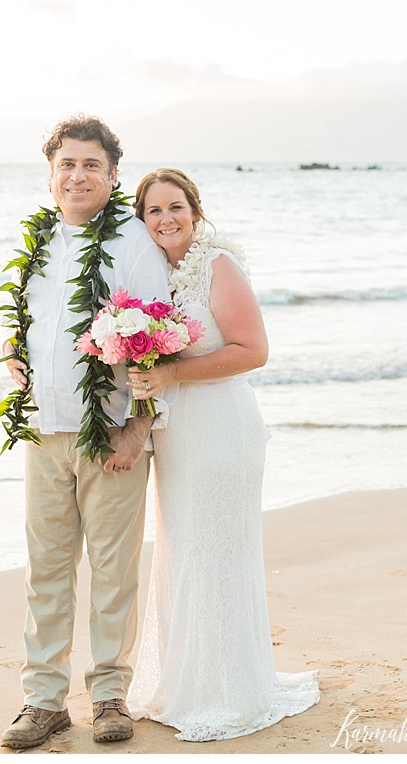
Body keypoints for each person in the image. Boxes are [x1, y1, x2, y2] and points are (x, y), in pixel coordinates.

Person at [125, 168, 320, 742]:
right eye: (153, 211)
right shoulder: (153, 274)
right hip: (179, 433)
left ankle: (229, 688)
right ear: (142, 221)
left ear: (195, 209)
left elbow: (253, 350)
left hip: (222, 428)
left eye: (175, 206)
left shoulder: (218, 266)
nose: (166, 219)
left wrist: (169, 373)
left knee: (219, 552)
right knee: (183, 551)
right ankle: (184, 681)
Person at [0, 116, 175, 750]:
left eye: (91, 165)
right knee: (45, 570)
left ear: (112, 175)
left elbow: (157, 336)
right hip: (44, 430)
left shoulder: (131, 239)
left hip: (108, 434)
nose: (78, 175)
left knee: (111, 571)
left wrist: (138, 428)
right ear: (51, 172)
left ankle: (108, 696)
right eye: (67, 164)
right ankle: (42, 702)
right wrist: (12, 349)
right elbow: (35, 326)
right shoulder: (39, 239)